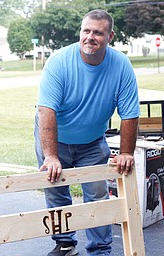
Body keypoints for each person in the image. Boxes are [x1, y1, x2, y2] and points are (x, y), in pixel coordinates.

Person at [34, 9, 140, 256]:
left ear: (110, 36)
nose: (90, 37)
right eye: (86, 31)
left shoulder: (121, 66)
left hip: (92, 141)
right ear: (80, 32)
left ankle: (100, 249)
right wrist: (51, 156)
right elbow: (46, 111)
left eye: (98, 33)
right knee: (56, 188)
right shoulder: (59, 62)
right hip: (55, 138)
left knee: (97, 195)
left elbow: (130, 114)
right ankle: (65, 244)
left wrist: (126, 152)